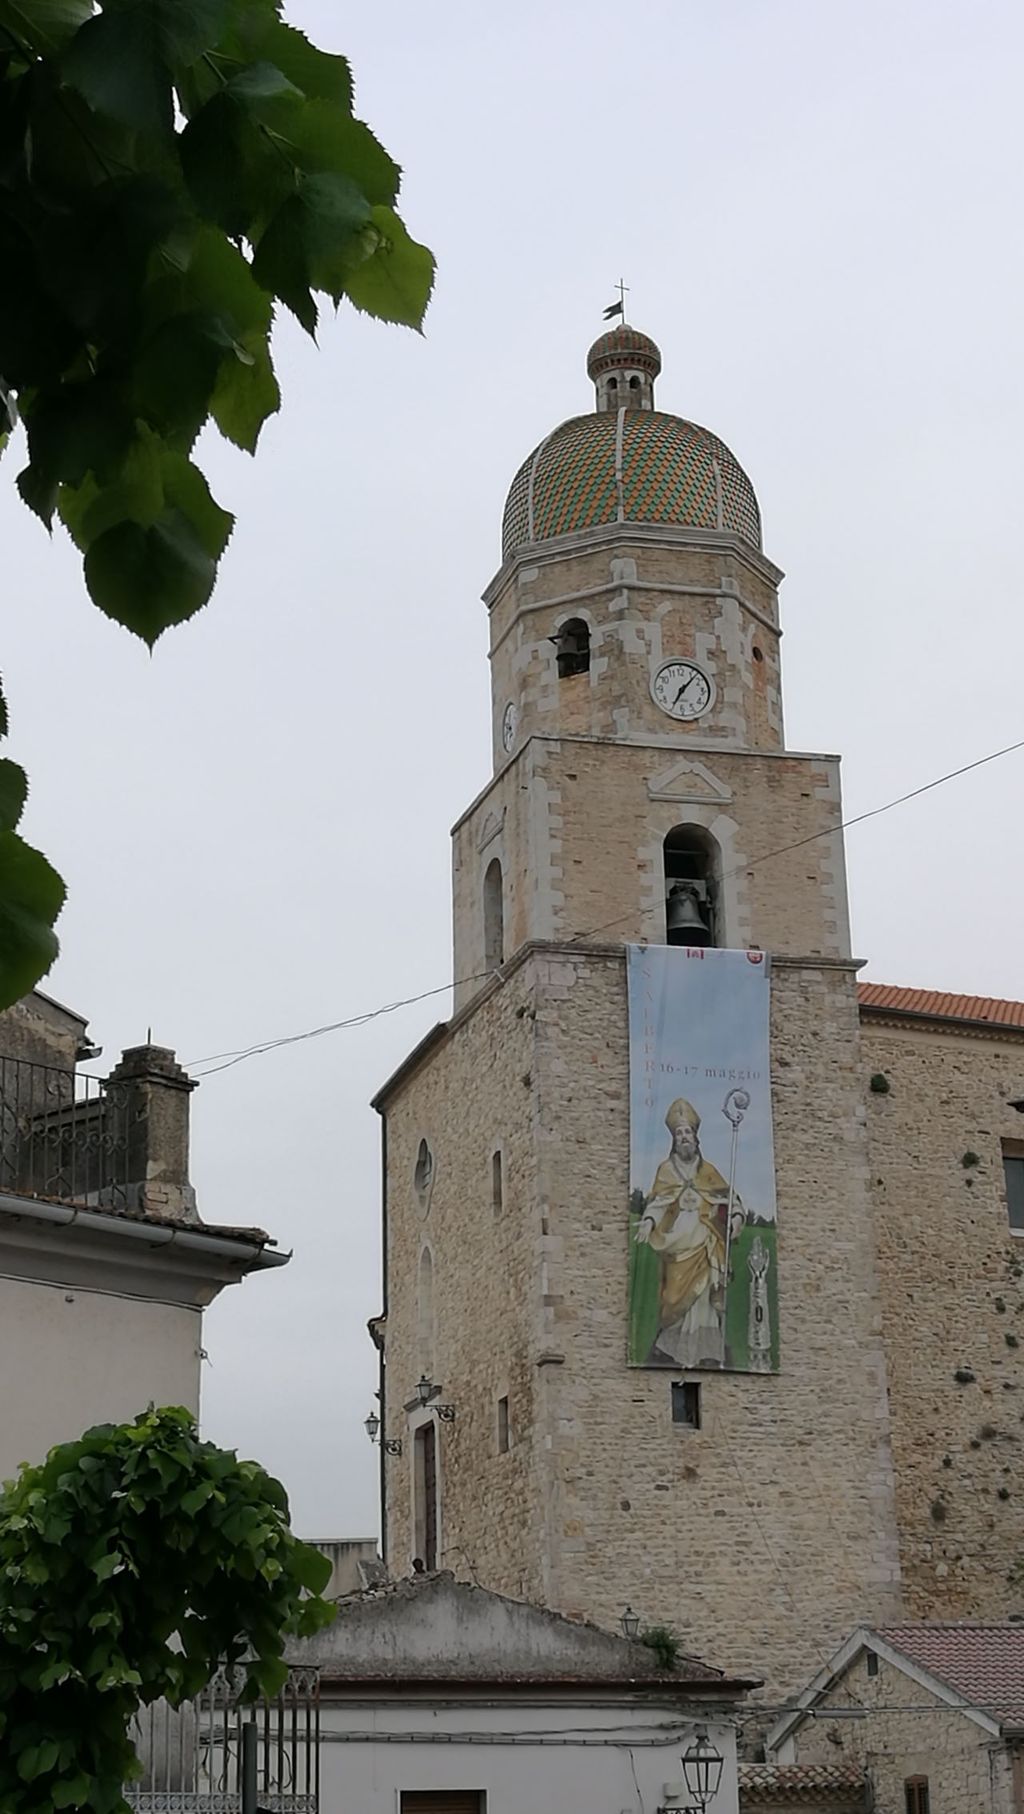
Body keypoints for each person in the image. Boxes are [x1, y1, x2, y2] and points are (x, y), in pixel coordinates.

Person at [634, 1097, 744, 1367]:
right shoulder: (666, 1170)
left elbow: (731, 1199)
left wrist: (736, 1216)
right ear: (674, 1138)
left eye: (688, 1132)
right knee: (674, 1299)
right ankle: (675, 1348)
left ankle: (704, 1351)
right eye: (680, 1133)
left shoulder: (708, 1171)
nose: (684, 1137)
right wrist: (648, 1221)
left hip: (705, 1240)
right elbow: (658, 1202)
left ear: (696, 1138)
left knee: (703, 1301)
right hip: (678, 1241)